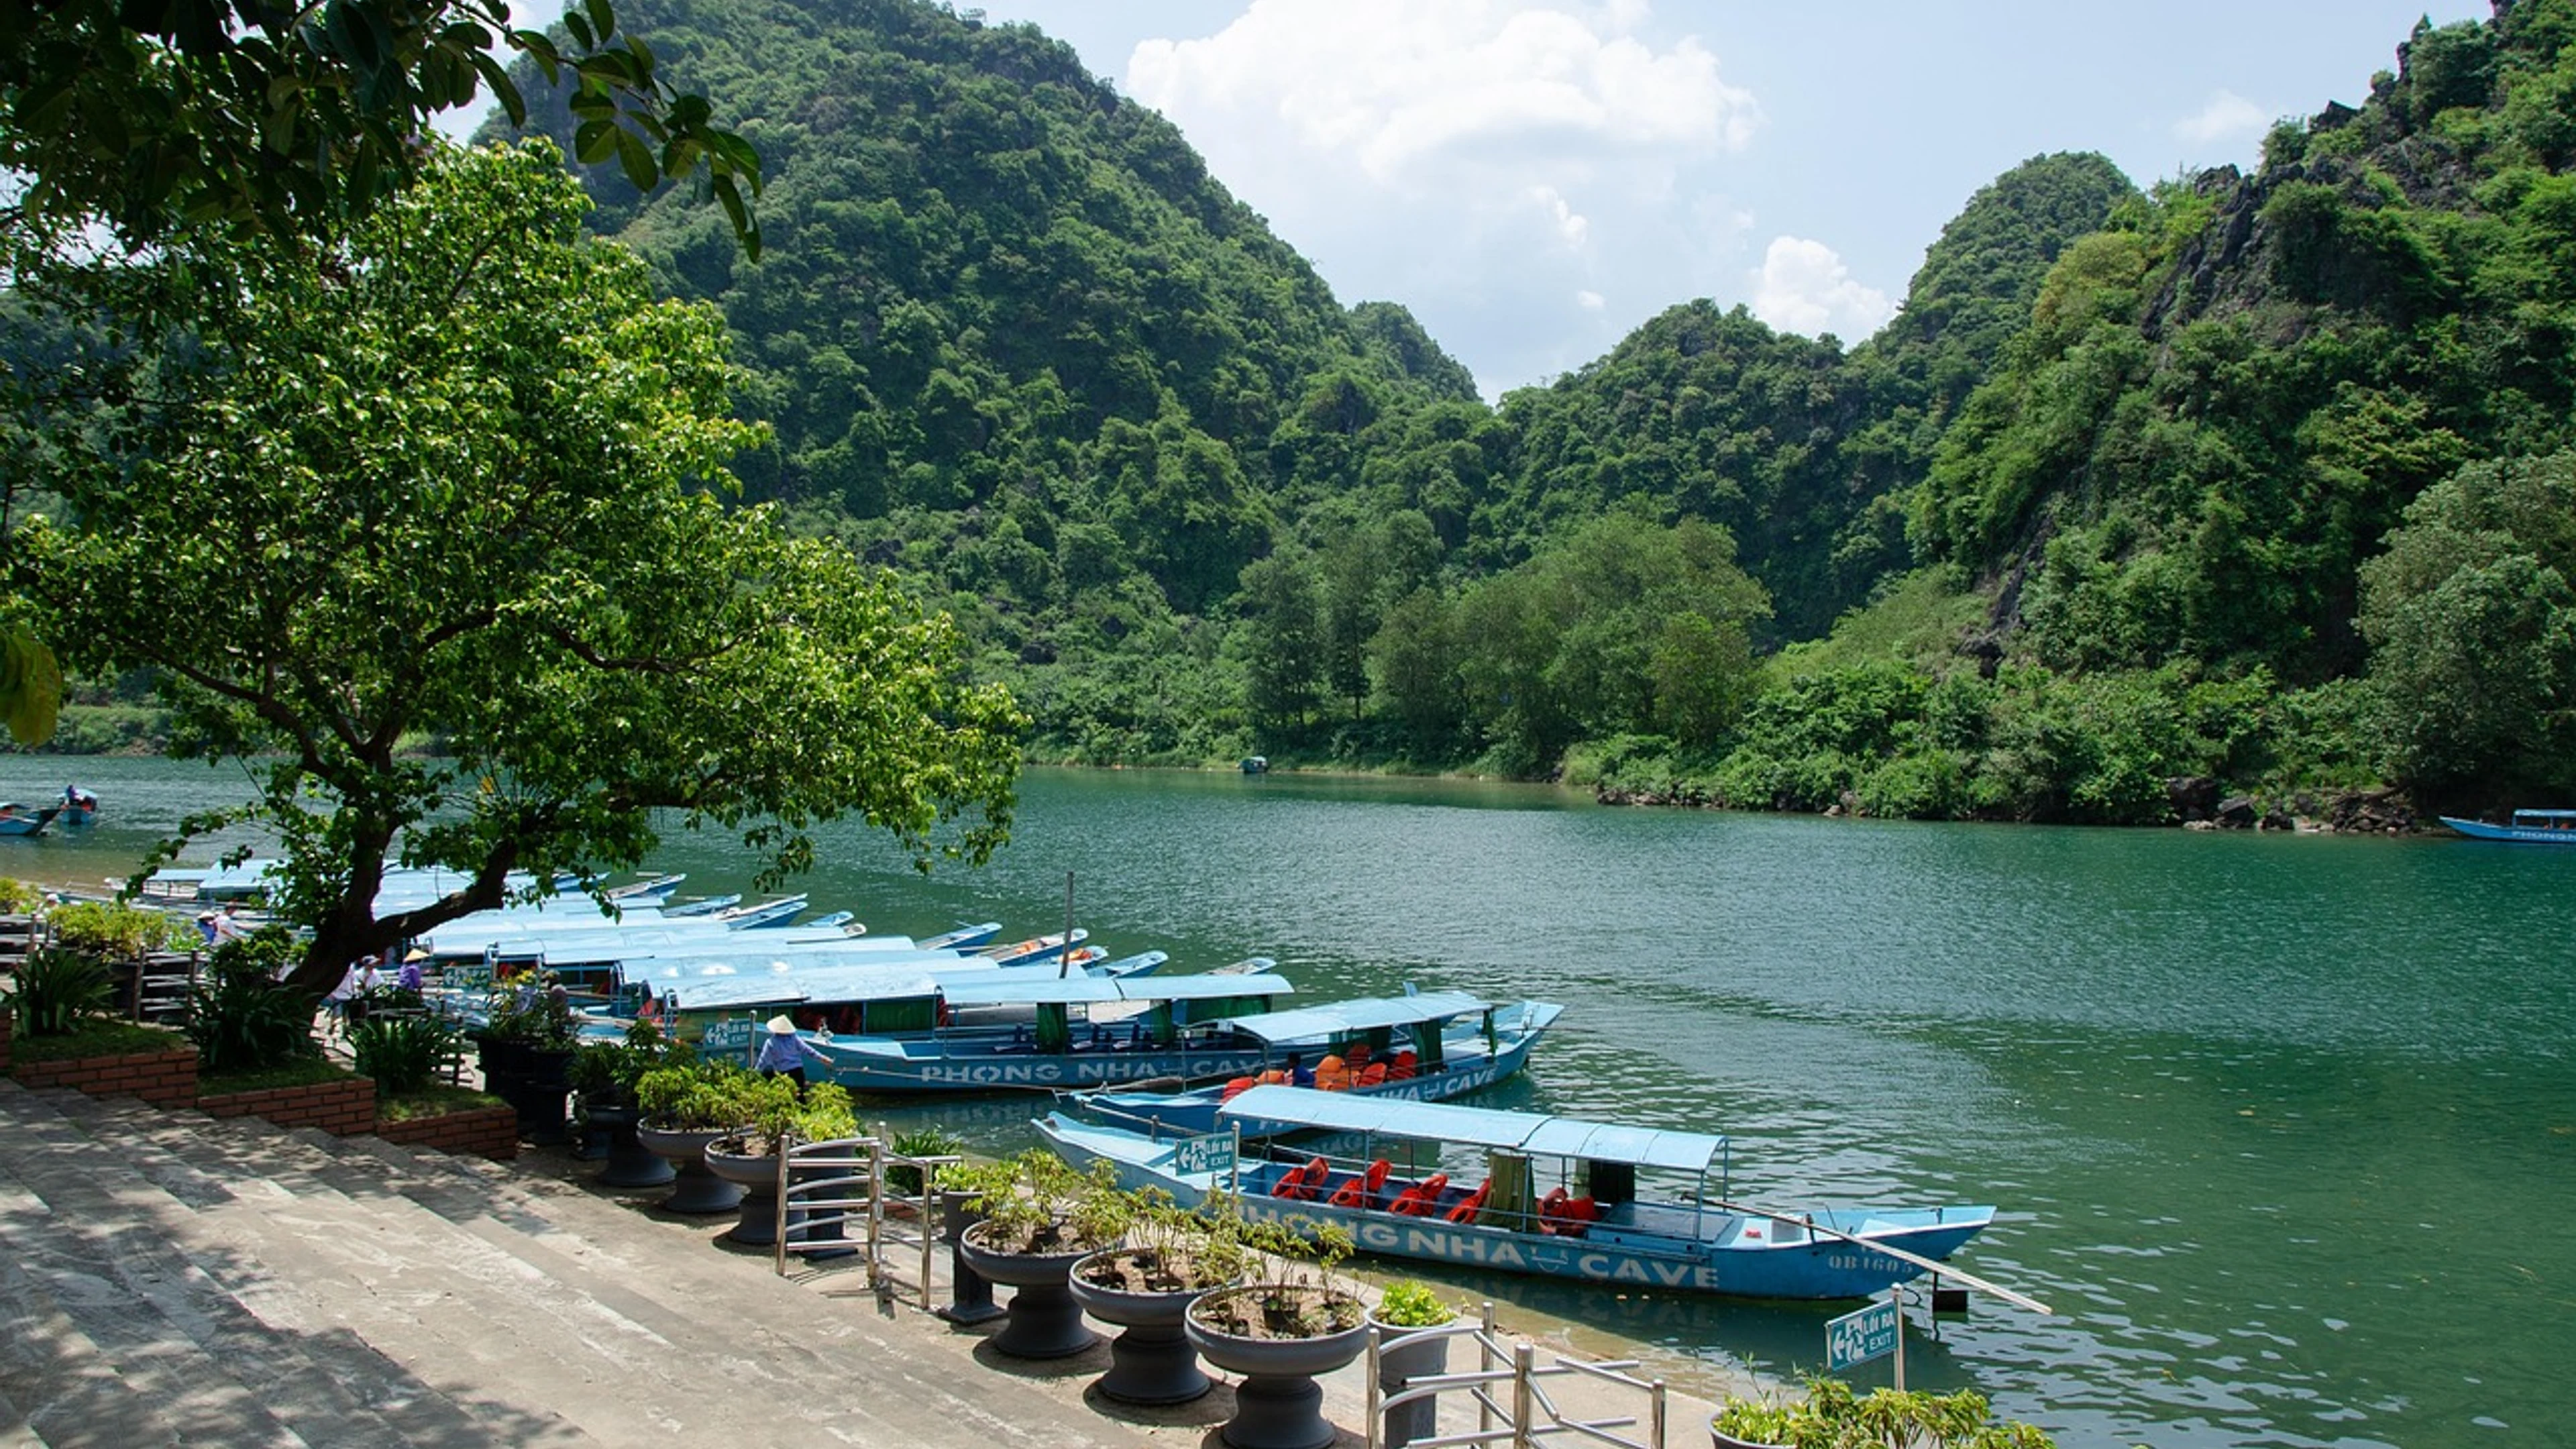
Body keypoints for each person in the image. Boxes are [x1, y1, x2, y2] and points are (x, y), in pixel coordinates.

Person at [754, 1014, 831, 1096]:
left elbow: (763, 1061)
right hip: (798, 1071)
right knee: (800, 1097)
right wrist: (822, 1058)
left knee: (785, 1098)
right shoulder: (794, 1038)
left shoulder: (770, 1042)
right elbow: (808, 1050)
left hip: (783, 1074)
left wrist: (755, 1073)